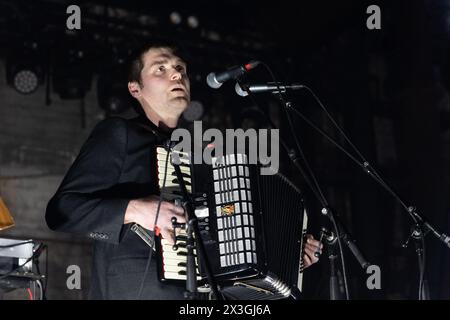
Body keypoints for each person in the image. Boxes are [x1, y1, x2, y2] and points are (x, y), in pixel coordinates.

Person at [45, 40, 323, 300]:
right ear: (135, 88)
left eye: (180, 68)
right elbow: (62, 211)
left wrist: (288, 254)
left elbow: (225, 241)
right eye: (160, 69)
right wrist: (137, 209)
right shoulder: (120, 133)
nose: (176, 75)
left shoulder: (201, 155)